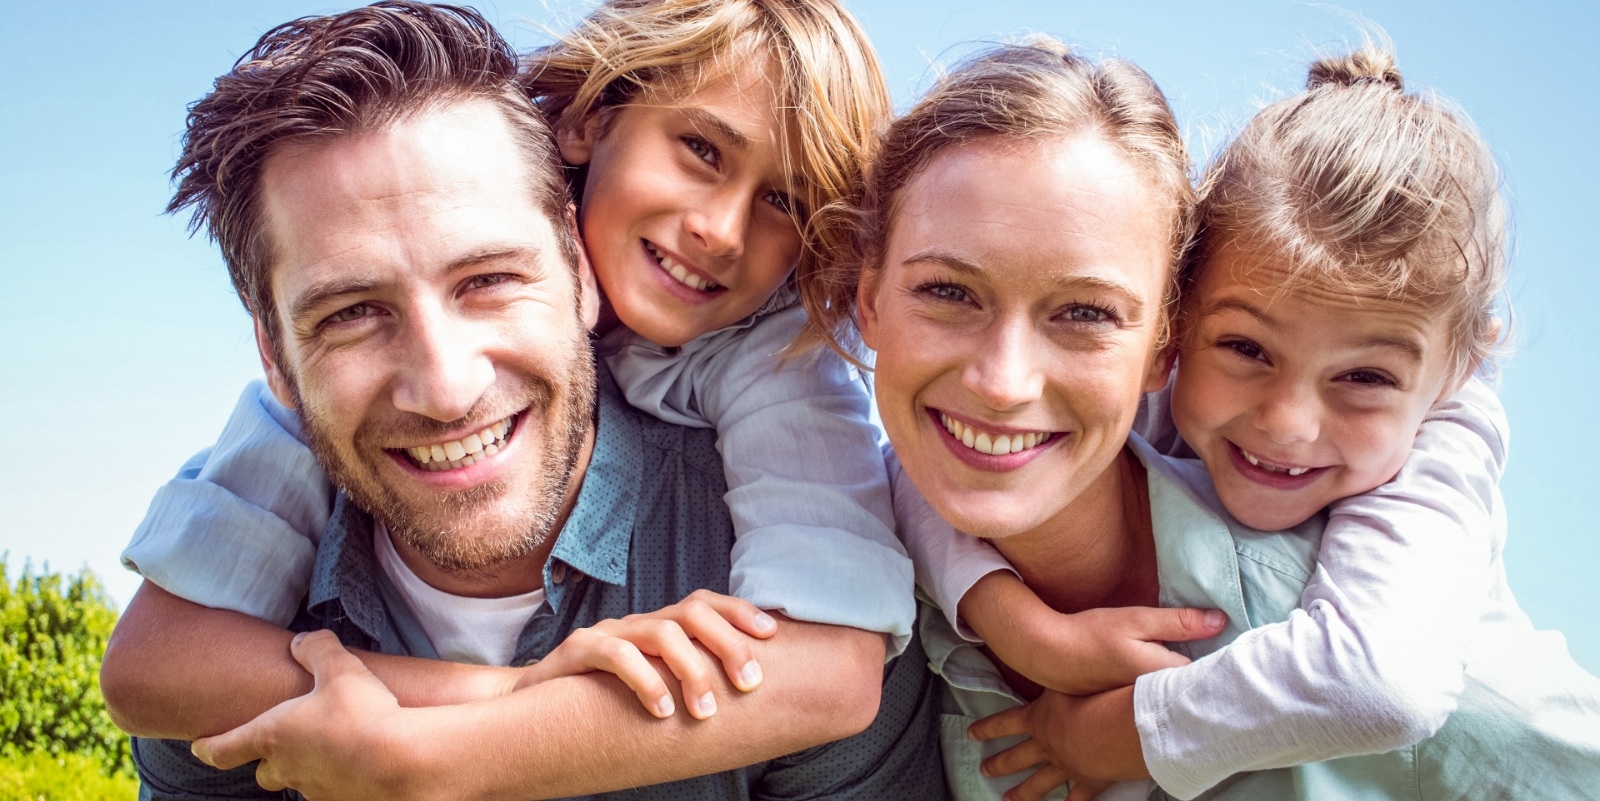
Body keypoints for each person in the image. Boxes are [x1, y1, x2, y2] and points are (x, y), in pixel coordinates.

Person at [101, 4, 945, 799]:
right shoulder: (294, 436)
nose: (446, 388)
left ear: (571, 267)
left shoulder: (771, 363)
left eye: (490, 279)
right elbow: (154, 666)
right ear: (587, 123)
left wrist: (426, 757)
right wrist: (503, 696)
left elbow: (829, 676)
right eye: (352, 313)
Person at [835, 38, 1600, 800]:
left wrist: (1114, 732)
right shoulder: (888, 560)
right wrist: (1011, 618)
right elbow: (918, 468)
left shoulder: (1426, 475)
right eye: (948, 292)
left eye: (1085, 312)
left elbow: (1383, 681)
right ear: (1184, 331)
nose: (1287, 421)